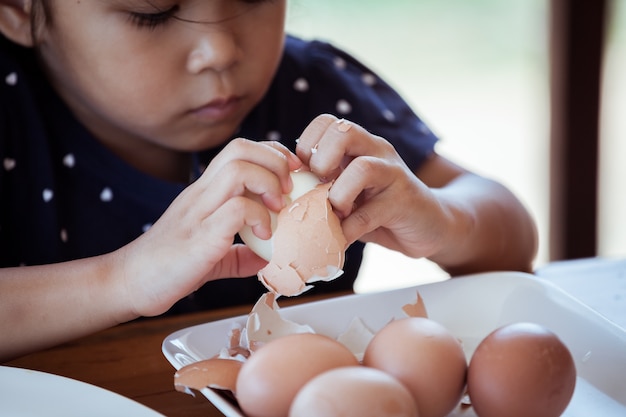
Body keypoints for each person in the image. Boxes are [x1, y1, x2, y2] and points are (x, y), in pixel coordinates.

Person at [0, 0, 537, 361]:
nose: (222, 51)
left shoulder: (312, 93)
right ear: (20, 8)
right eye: (153, 12)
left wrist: (443, 219)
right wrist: (122, 279)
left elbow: (511, 234)